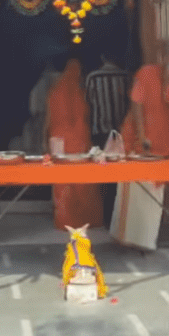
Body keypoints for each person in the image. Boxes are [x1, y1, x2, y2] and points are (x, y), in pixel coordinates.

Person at [112, 38, 169, 250]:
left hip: (168, 146)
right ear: (165, 58)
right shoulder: (146, 74)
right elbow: (136, 104)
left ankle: (144, 242)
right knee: (135, 191)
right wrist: (143, 137)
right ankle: (125, 240)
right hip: (139, 142)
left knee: (152, 197)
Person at [46, 58, 103, 230]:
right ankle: (84, 219)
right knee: (82, 181)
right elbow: (85, 116)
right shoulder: (79, 93)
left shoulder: (55, 92)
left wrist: (45, 139)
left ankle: (65, 220)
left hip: (59, 141)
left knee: (62, 181)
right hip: (78, 142)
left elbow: (49, 119)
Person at [85, 52, 130, 227]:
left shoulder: (92, 77)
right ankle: (120, 218)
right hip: (121, 134)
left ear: (103, 57)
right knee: (120, 175)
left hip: (100, 132)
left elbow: (88, 104)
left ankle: (106, 218)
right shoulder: (125, 77)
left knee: (103, 174)